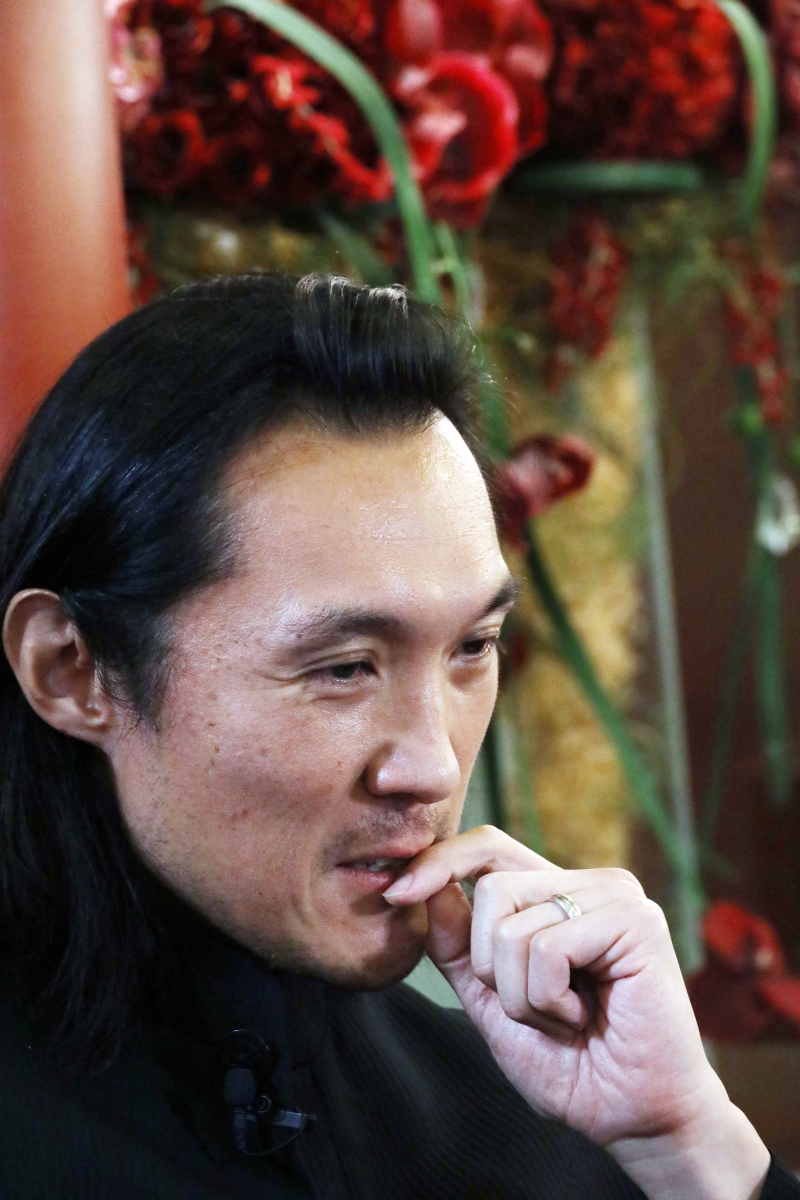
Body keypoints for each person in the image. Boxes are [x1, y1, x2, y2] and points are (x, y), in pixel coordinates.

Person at [0, 273, 795, 1200]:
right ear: (70, 669)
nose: (435, 766)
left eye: (474, 647)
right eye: (344, 668)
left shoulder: (548, 1121)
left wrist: (688, 1147)